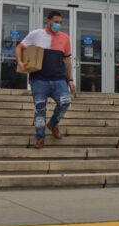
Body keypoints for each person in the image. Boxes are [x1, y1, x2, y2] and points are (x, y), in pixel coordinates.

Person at [16, 10, 75, 149]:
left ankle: (53, 123)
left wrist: (70, 79)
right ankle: (40, 138)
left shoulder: (65, 38)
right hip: (39, 80)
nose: (58, 25)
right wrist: (19, 62)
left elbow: (67, 61)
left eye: (60, 23)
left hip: (59, 79)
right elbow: (20, 47)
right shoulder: (36, 34)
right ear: (48, 21)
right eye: (55, 22)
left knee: (65, 102)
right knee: (40, 109)